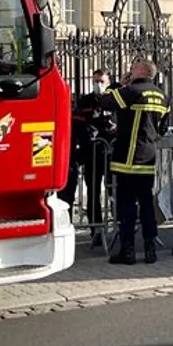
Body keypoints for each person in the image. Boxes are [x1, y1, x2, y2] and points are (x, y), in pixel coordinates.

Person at [97, 60, 170, 265]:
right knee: (146, 203)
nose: (130, 69)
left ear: (142, 71)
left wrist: (119, 85)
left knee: (126, 205)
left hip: (127, 156)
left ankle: (127, 251)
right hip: (148, 156)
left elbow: (105, 101)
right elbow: (163, 128)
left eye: (134, 67)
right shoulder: (163, 96)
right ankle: (150, 250)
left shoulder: (132, 91)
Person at [58, 91, 108, 247]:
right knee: (68, 196)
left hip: (89, 157)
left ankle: (96, 231)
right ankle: (69, 230)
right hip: (74, 159)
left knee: (92, 193)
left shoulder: (104, 109)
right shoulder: (76, 117)